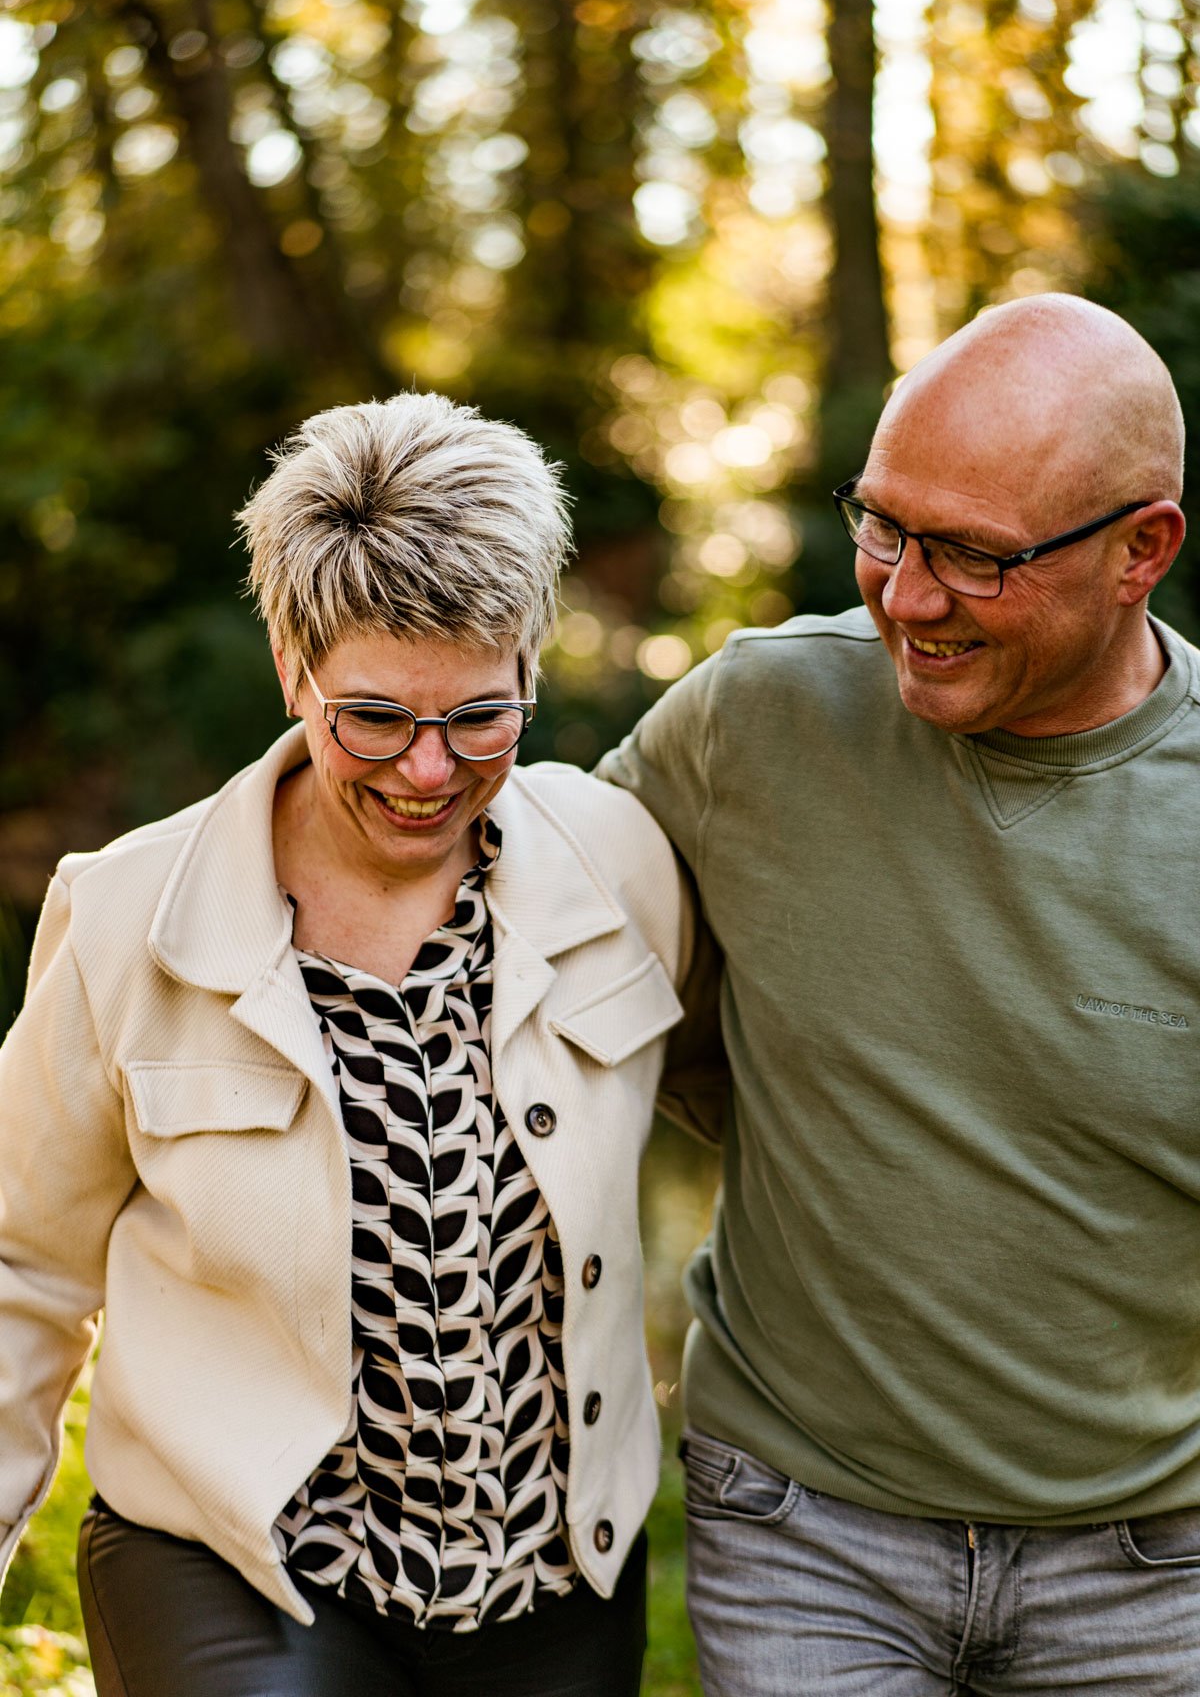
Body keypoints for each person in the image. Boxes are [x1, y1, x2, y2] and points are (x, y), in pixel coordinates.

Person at [0, 392, 699, 1697]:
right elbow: (18, 1269)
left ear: (532, 671)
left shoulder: (625, 871)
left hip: (549, 1576)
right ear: (293, 668)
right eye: (372, 718)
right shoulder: (125, 920)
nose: (427, 771)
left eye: (480, 718)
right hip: (233, 1558)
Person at [598, 294, 1200, 1693]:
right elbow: (539, 944)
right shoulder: (754, 719)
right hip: (805, 1529)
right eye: (884, 523)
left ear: (1142, 550)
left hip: (1156, 1573)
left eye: (977, 557)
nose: (906, 595)